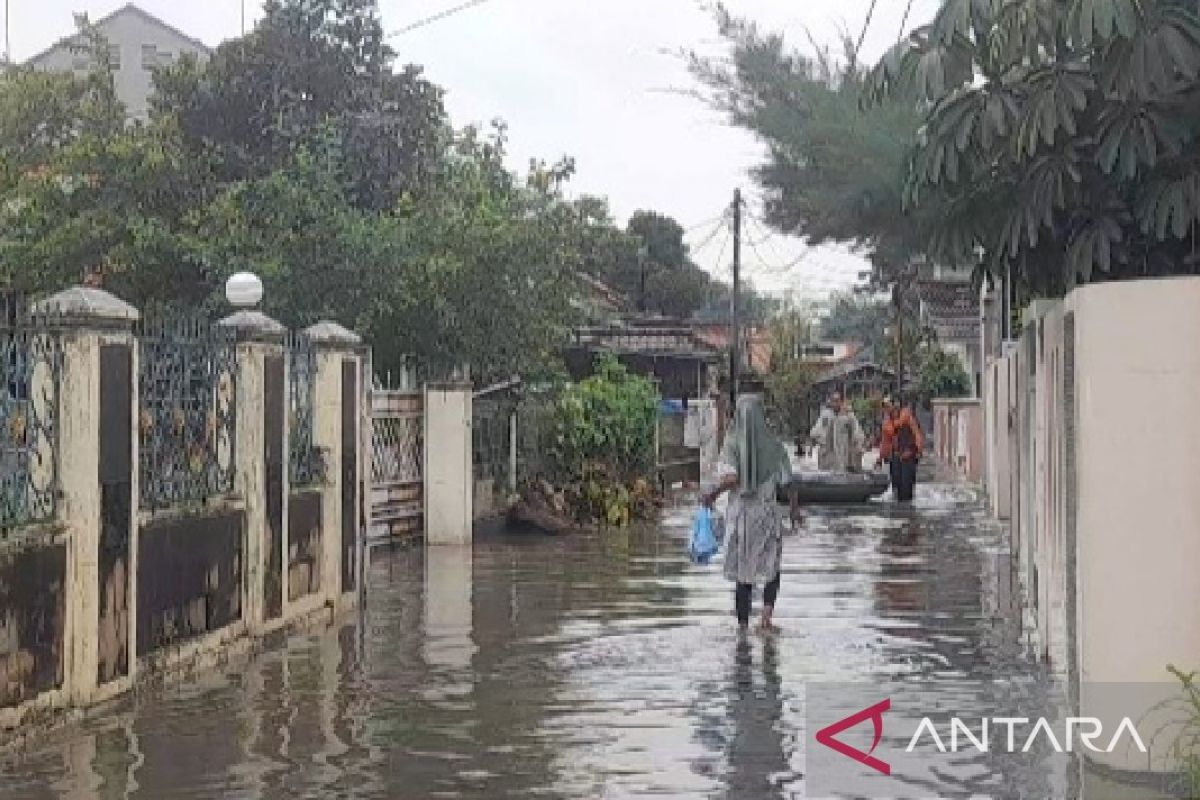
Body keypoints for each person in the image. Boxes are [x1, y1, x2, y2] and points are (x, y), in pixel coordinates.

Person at [702, 393, 800, 632]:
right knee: (771, 567)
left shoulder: (731, 444)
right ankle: (766, 618)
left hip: (743, 516)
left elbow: (731, 478)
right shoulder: (775, 446)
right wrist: (794, 512)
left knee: (743, 574)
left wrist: (712, 495)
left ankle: (743, 629)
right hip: (768, 515)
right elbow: (789, 485)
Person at [879, 396, 923, 502]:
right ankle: (899, 511)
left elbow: (917, 434)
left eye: (888, 405)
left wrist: (918, 450)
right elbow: (885, 442)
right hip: (895, 457)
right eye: (885, 406)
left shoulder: (907, 417)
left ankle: (908, 509)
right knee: (896, 485)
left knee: (907, 486)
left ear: (896, 404)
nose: (887, 408)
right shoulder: (887, 422)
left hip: (908, 456)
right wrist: (881, 458)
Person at [830, 396, 866, 472]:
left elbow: (857, 432)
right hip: (836, 458)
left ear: (841, 402)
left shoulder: (849, 416)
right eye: (833, 401)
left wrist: (858, 446)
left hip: (848, 459)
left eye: (837, 401)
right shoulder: (832, 417)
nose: (834, 404)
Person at [808, 392, 840, 470]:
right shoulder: (826, 415)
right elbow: (815, 432)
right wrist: (811, 448)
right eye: (834, 401)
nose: (836, 403)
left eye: (838, 401)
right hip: (826, 450)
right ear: (831, 402)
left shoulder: (844, 415)